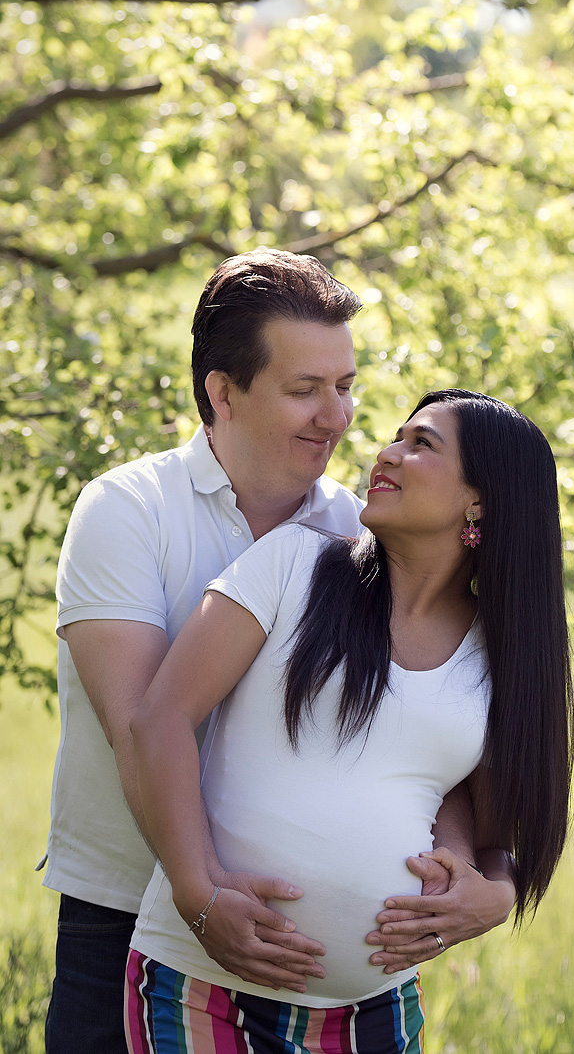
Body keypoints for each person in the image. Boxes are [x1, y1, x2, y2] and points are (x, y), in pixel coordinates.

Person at [43, 252, 515, 1054]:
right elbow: (140, 731)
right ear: (222, 392)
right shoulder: (127, 511)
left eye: (345, 386)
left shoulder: (362, 536)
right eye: (305, 391)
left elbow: (431, 735)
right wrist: (198, 897)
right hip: (124, 916)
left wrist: (472, 868)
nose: (336, 417)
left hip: (310, 971)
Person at [125, 389, 574, 1053]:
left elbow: (471, 817)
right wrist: (198, 896)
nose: (387, 453)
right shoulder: (293, 564)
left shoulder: (500, 656)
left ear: (480, 501)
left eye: (422, 444)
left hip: (376, 1013)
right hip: (206, 990)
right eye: (396, 436)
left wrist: (497, 891)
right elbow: (159, 718)